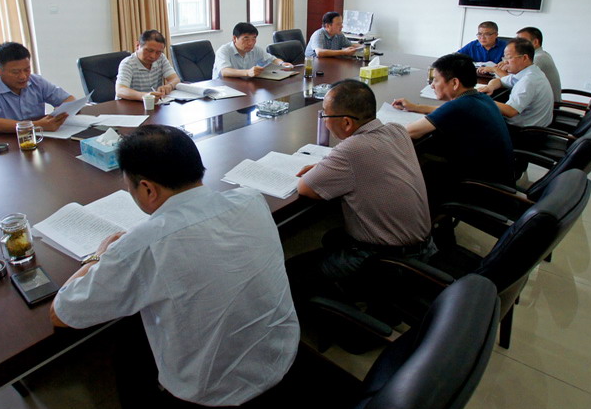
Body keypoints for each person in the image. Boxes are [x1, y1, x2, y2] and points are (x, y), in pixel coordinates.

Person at [50, 125, 299, 409]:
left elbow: (62, 313)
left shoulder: (144, 244)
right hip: (281, 358)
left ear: (147, 189)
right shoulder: (251, 199)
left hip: (212, 395)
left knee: (127, 344)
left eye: (130, 187)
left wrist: (98, 257)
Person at [288, 80, 432, 301]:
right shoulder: (396, 130)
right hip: (423, 247)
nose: (324, 121)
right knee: (332, 237)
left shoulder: (352, 150)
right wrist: (328, 165)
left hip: (387, 260)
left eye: (325, 115)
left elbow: (306, 187)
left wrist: (326, 165)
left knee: (290, 273)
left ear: (346, 122)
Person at [392, 53, 515, 194]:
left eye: (436, 80)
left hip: (480, 188)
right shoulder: (480, 97)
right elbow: (446, 111)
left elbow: (410, 131)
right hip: (499, 180)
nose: (432, 85)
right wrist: (415, 107)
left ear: (455, 83)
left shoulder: (458, 107)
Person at [0, 41, 74, 133]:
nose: (23, 76)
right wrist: (37, 125)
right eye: (15, 72)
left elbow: (70, 99)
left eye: (27, 69)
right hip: (0, 142)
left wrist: (58, 113)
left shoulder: (36, 81)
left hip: (36, 138)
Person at [478, 38, 554, 128]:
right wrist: (490, 87)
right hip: (534, 124)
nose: (505, 62)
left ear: (524, 58)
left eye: (509, 57)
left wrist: (483, 100)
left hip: (525, 131)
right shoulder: (529, 71)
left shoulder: (529, 80)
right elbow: (500, 81)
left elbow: (510, 111)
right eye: (505, 57)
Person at [115, 29, 180, 100]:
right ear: (137, 46)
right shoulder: (127, 63)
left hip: (154, 103)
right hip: (130, 104)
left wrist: (169, 86)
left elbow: (175, 78)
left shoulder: (161, 58)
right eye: (149, 50)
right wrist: (145, 96)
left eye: (158, 52)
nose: (153, 56)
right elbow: (120, 90)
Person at [213, 22, 293, 79]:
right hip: (222, 89)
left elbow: (272, 59)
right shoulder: (224, 51)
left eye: (253, 38)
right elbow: (224, 71)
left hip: (243, 86)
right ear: (234, 38)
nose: (250, 43)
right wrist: (247, 72)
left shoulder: (255, 49)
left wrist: (282, 64)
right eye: (246, 38)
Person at [516, 27, 561, 102]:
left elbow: (518, 81)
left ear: (535, 42)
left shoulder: (538, 58)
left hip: (548, 104)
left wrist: (497, 70)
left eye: (521, 41)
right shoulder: (542, 54)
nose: (517, 45)